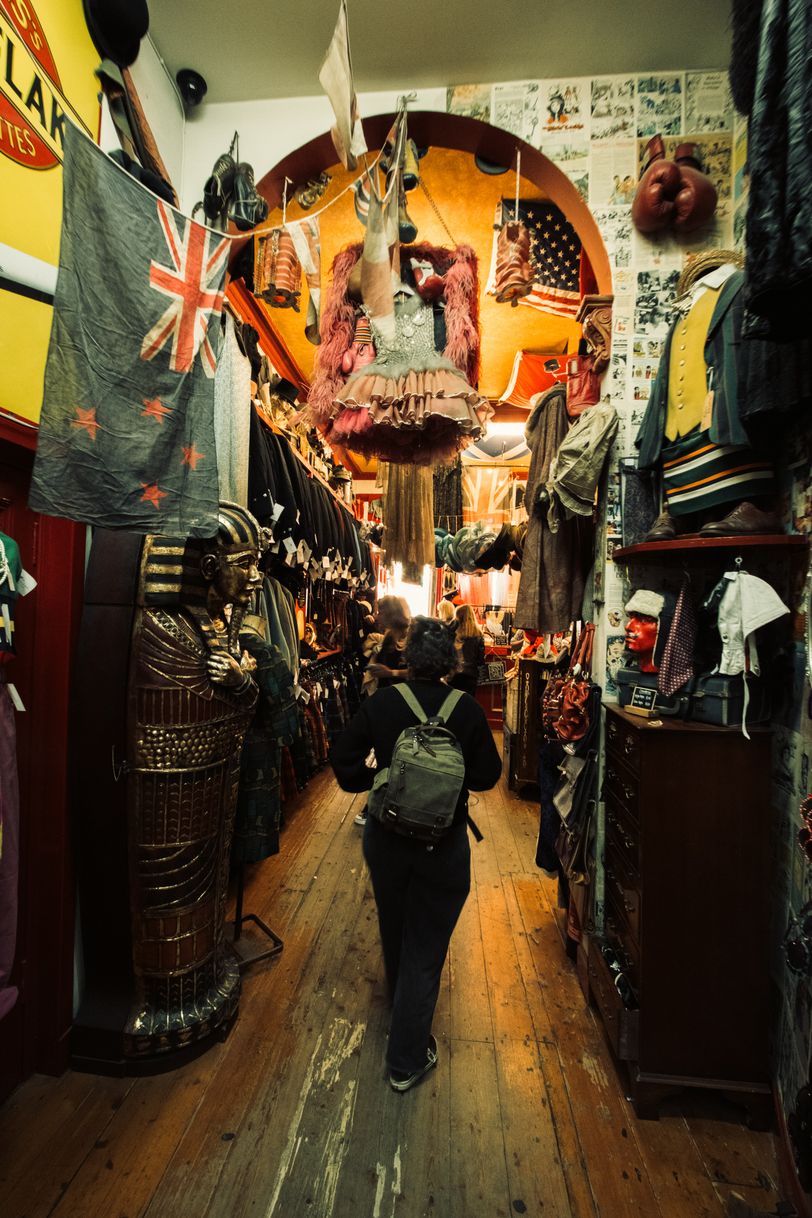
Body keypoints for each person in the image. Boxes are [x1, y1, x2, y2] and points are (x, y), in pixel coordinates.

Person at [332, 617, 502, 1092]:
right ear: (449, 661)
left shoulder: (384, 702)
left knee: (394, 921)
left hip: (386, 839)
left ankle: (400, 1002)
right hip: (441, 844)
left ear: (408, 656)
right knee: (426, 942)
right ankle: (406, 1060)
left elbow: (343, 763)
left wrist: (381, 781)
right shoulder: (466, 709)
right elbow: (488, 776)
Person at [354, 596, 411, 827]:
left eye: (381, 611)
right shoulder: (389, 636)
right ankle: (381, 804)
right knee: (385, 755)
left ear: (392, 613)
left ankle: (377, 806)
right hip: (387, 703)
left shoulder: (409, 637)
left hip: (404, 703)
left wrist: (390, 673)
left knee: (392, 756)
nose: (377, 615)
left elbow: (419, 671)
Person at [451, 604, 486, 697]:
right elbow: (480, 660)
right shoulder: (478, 634)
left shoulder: (452, 633)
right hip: (471, 675)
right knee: (468, 701)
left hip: (454, 675)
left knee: (452, 702)